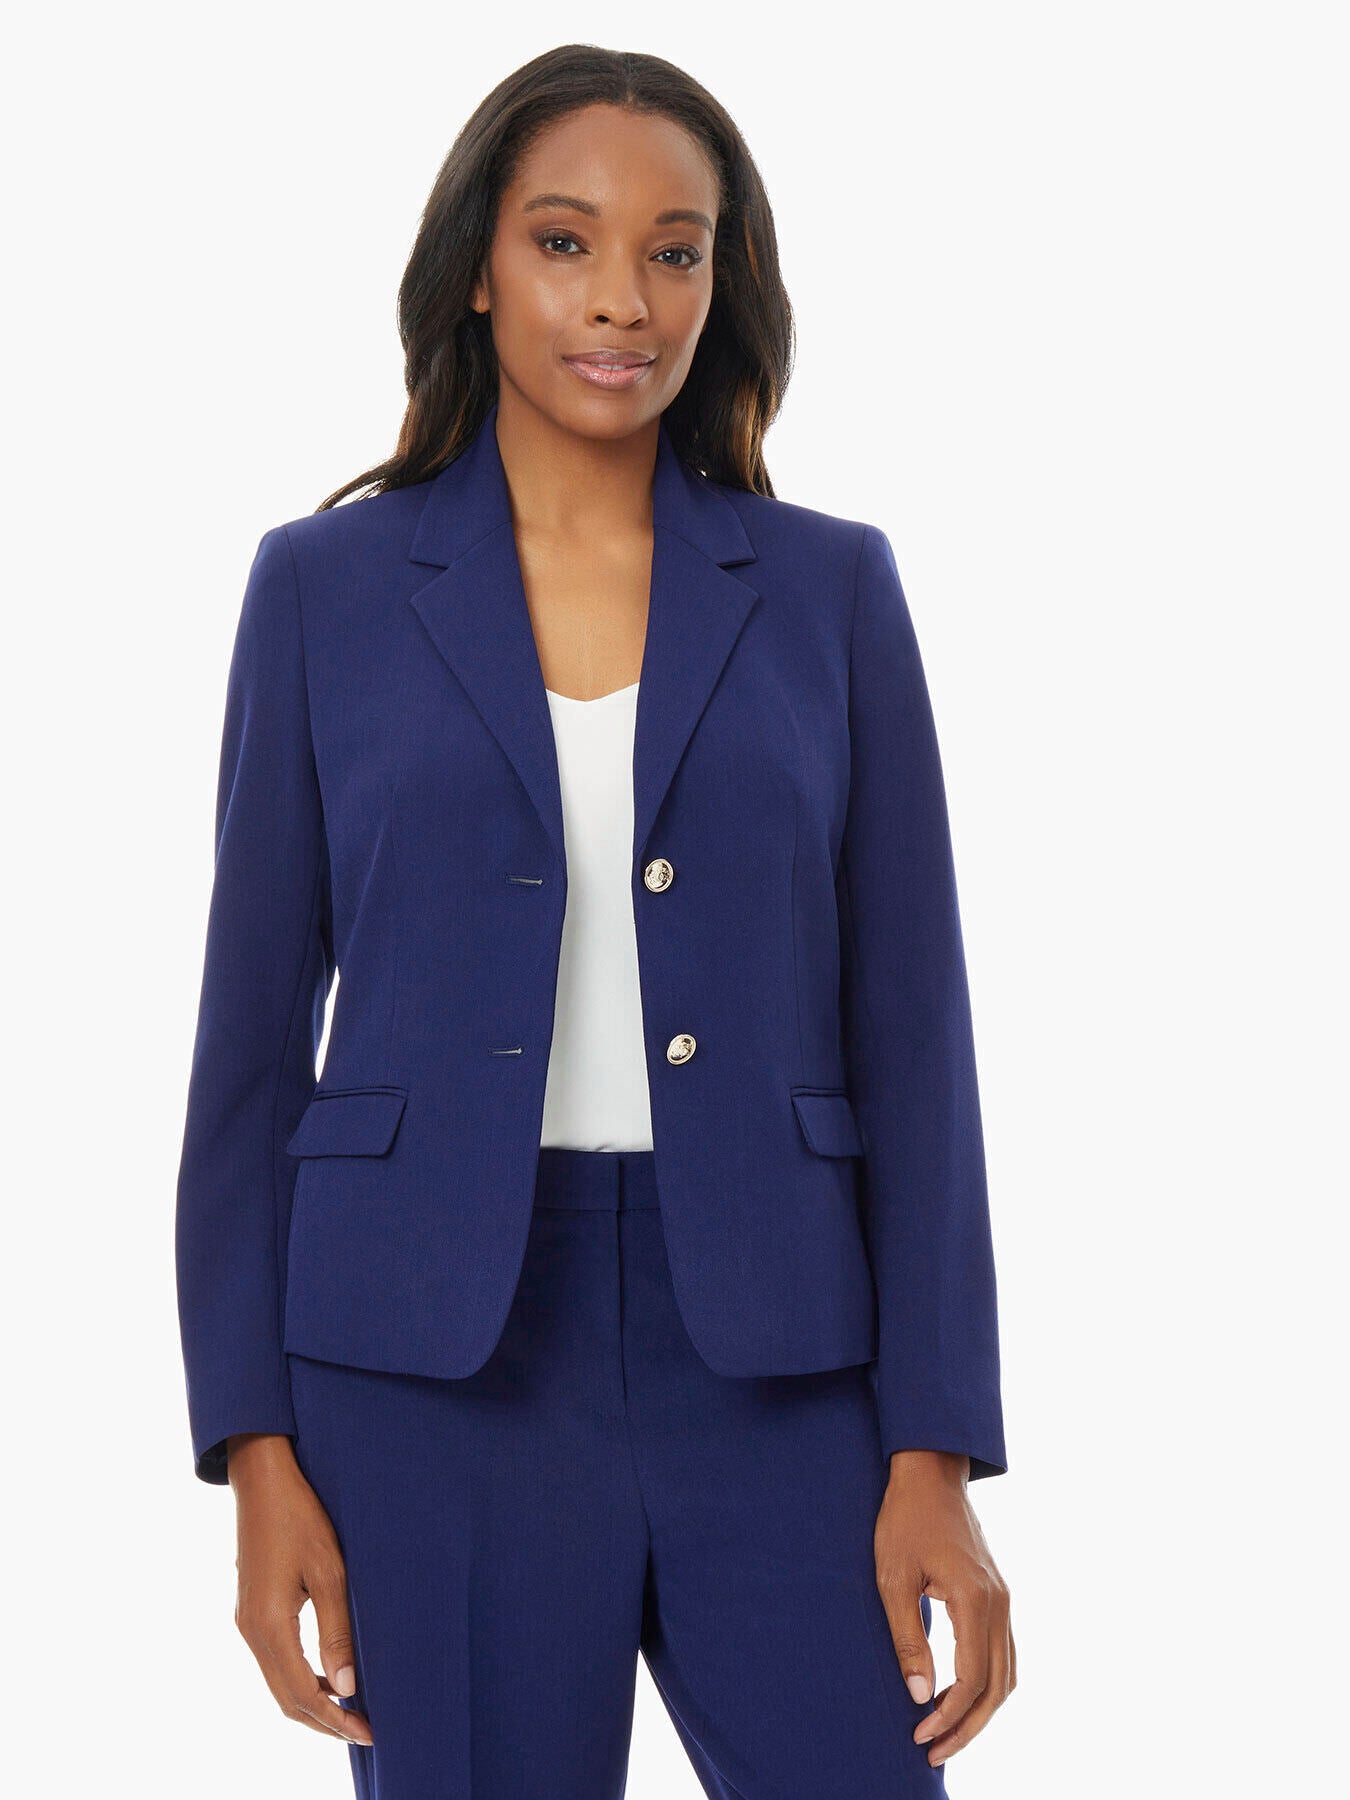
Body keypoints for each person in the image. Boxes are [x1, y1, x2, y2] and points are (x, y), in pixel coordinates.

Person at [174, 42, 1015, 1799]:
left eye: (673, 251)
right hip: (425, 1373)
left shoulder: (828, 590)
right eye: (564, 242)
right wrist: (252, 1447)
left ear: (723, 282)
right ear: (478, 268)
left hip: (783, 1363)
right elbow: (247, 1050)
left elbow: (915, 1037)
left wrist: (935, 1445)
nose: (622, 298)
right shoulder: (323, 590)